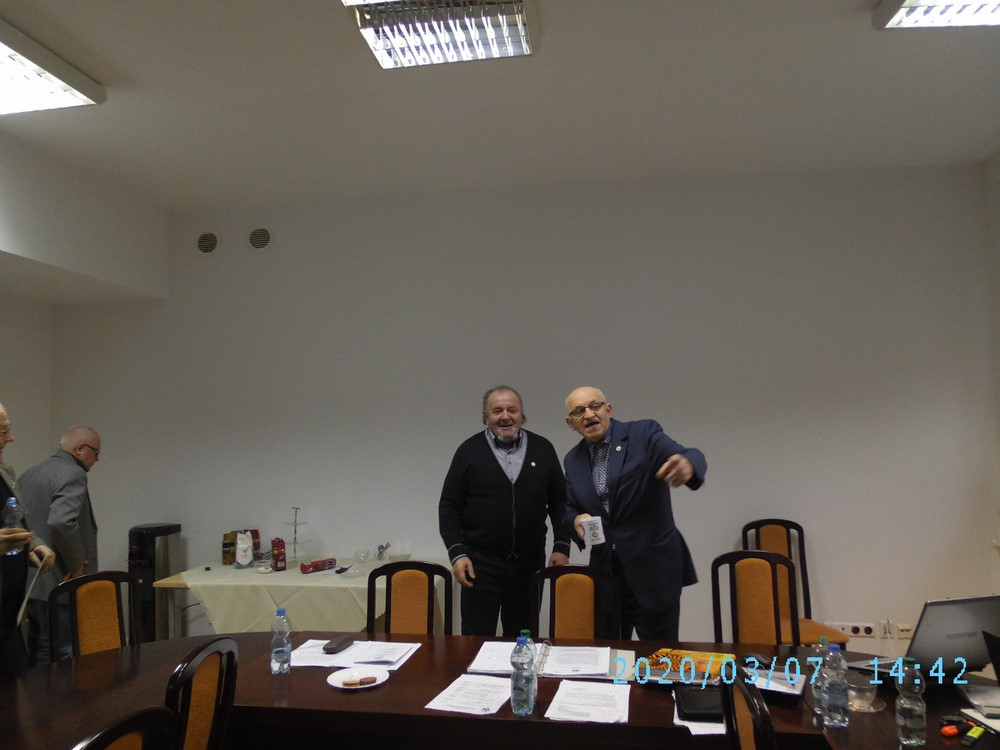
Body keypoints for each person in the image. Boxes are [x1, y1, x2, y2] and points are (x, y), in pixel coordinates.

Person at [563, 386, 706, 641]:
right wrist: (575, 519)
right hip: (607, 574)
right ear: (570, 423)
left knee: (659, 657)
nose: (589, 414)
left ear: (608, 409)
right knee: (608, 655)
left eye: (595, 406)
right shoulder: (572, 460)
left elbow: (689, 454)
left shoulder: (643, 434)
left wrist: (688, 464)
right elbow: (570, 506)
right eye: (579, 411)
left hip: (653, 570)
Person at [439, 385, 575, 636]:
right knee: (476, 641)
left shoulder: (543, 449)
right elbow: (449, 506)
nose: (505, 417)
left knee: (523, 640)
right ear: (485, 417)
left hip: (529, 567)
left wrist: (562, 545)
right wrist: (457, 553)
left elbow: (560, 501)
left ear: (522, 414)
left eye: (512, 410)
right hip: (479, 566)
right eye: (497, 411)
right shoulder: (468, 451)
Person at [19, 425, 101, 665]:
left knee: (35, 649)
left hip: (30, 581)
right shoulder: (73, 474)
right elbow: (62, 522)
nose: (97, 458)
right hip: (60, 580)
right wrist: (77, 565)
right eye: (96, 452)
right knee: (60, 652)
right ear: (80, 449)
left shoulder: (29, 474)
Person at [0, 403, 55, 678]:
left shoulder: (4, 472)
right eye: (2, 432)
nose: (11, 438)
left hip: (9, 617)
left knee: (17, 695)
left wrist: (33, 544)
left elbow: (15, 522)